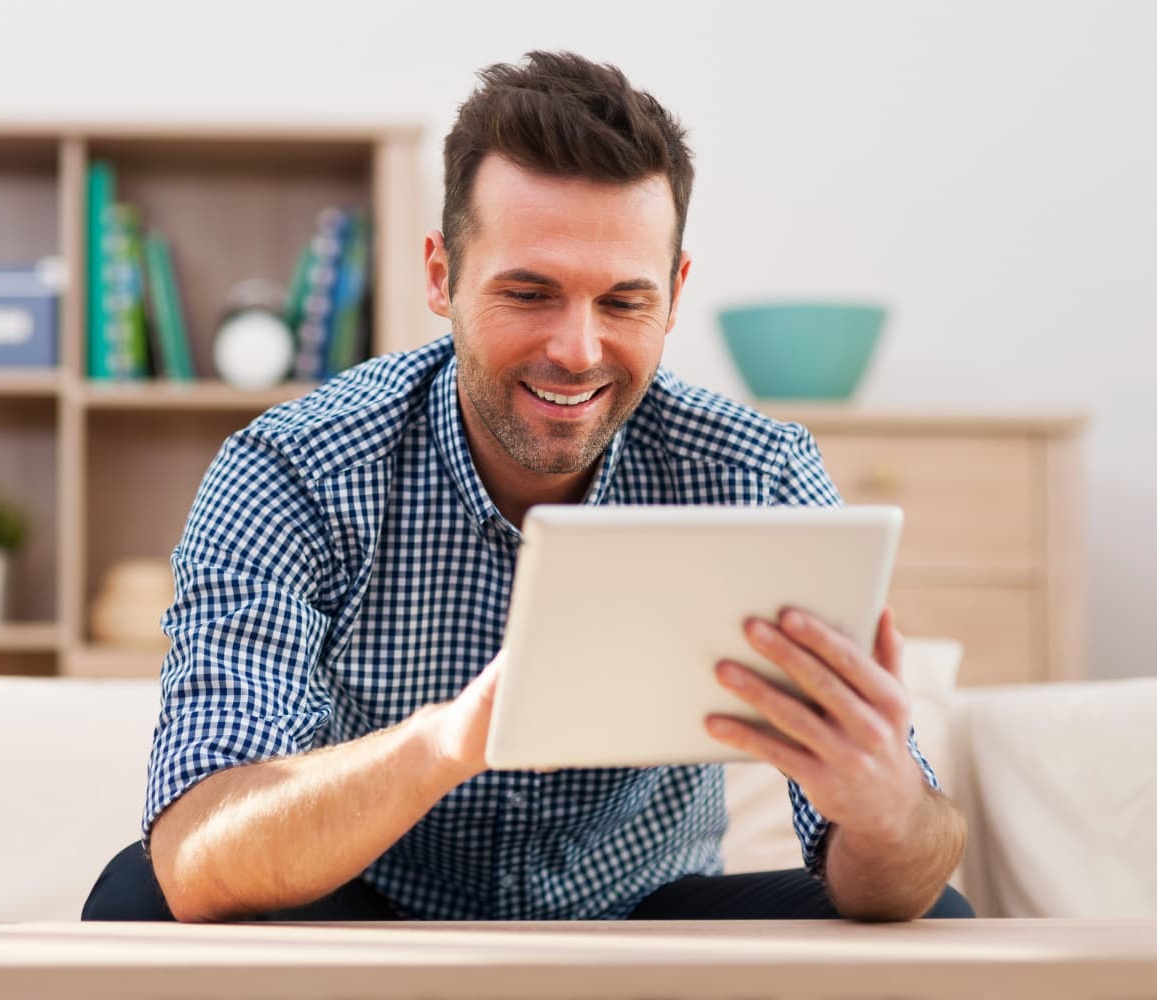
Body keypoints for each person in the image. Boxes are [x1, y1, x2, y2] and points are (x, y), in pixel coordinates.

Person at [83, 50, 972, 923]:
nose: (578, 351)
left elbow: (896, 877)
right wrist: (451, 740)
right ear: (442, 276)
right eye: (530, 292)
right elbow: (194, 855)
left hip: (645, 915)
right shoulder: (294, 470)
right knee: (136, 898)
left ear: (674, 291)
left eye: (623, 302)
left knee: (939, 920)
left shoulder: (757, 474)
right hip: (368, 912)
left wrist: (890, 808)